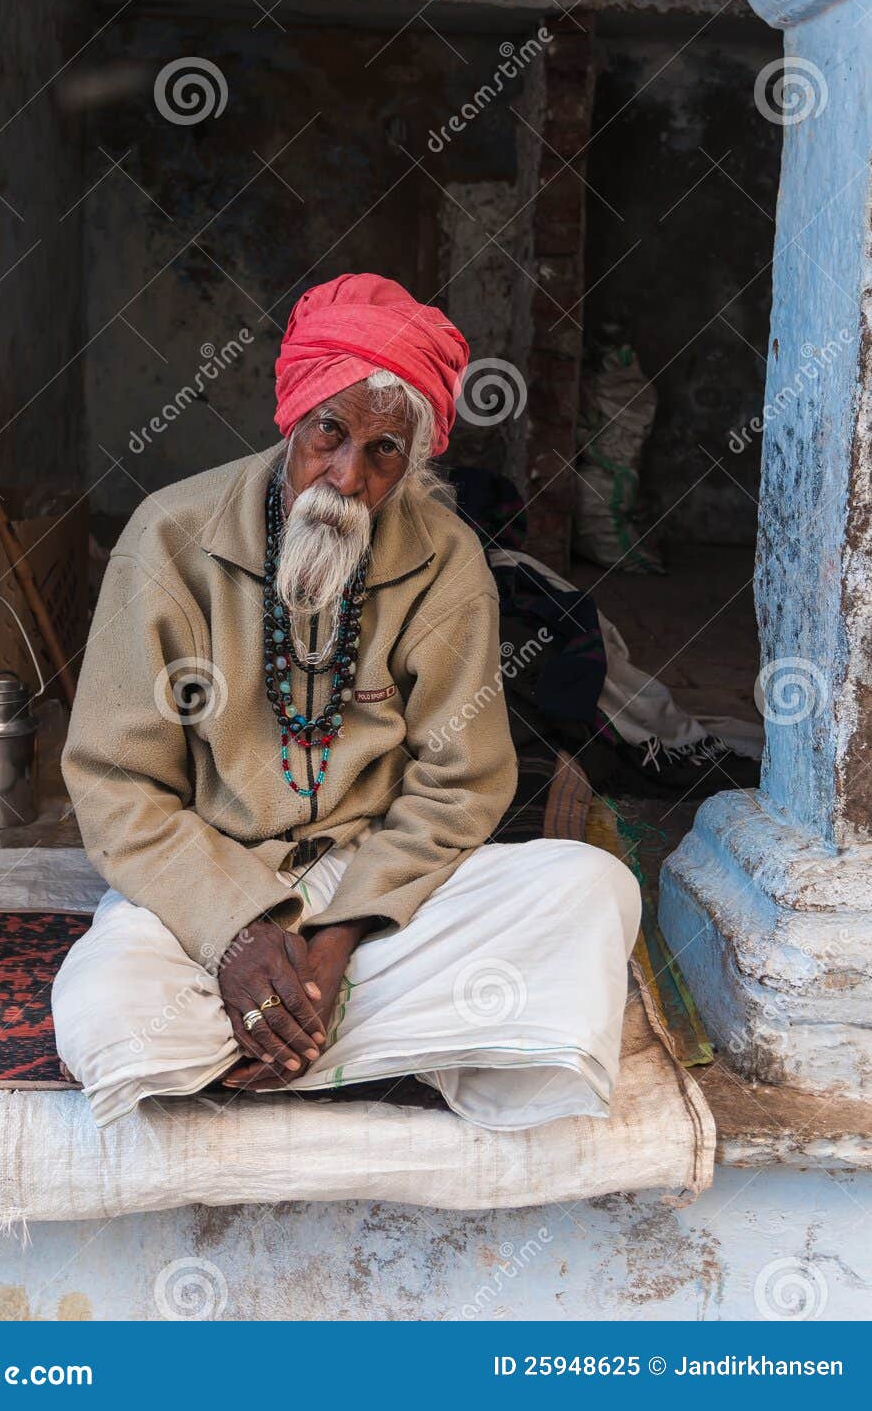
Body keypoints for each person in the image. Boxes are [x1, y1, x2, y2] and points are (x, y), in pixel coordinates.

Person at [53, 272, 640, 1131]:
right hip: (210, 874)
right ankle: (373, 1044)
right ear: (292, 415)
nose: (346, 474)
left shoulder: (446, 559)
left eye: (383, 451)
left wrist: (335, 944)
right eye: (329, 431)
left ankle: (281, 1034)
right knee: (110, 1015)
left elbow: (461, 784)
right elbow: (118, 783)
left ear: (413, 461)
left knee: (592, 889)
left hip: (378, 892)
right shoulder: (168, 537)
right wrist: (237, 931)